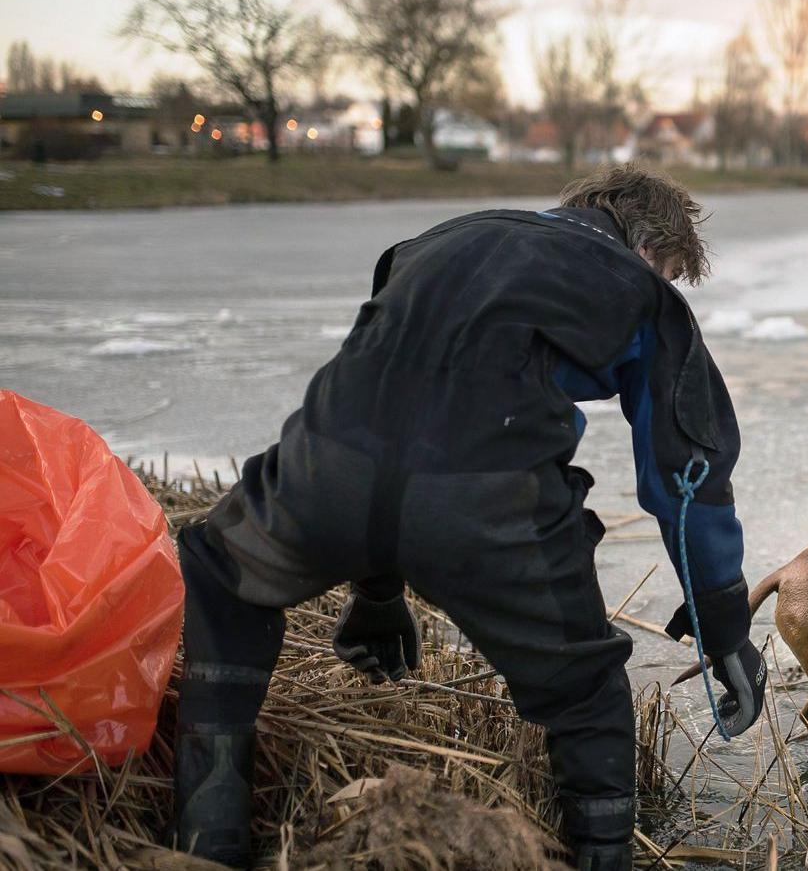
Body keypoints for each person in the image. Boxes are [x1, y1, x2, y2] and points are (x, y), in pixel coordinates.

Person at [170, 165, 766, 871]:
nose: (663, 286)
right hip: (488, 505)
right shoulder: (635, 289)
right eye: (668, 270)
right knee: (585, 692)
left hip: (317, 467)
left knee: (220, 575)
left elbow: (397, 416)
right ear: (647, 249)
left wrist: (378, 591)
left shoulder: (431, 243)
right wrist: (723, 617)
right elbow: (686, 470)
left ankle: (206, 840)